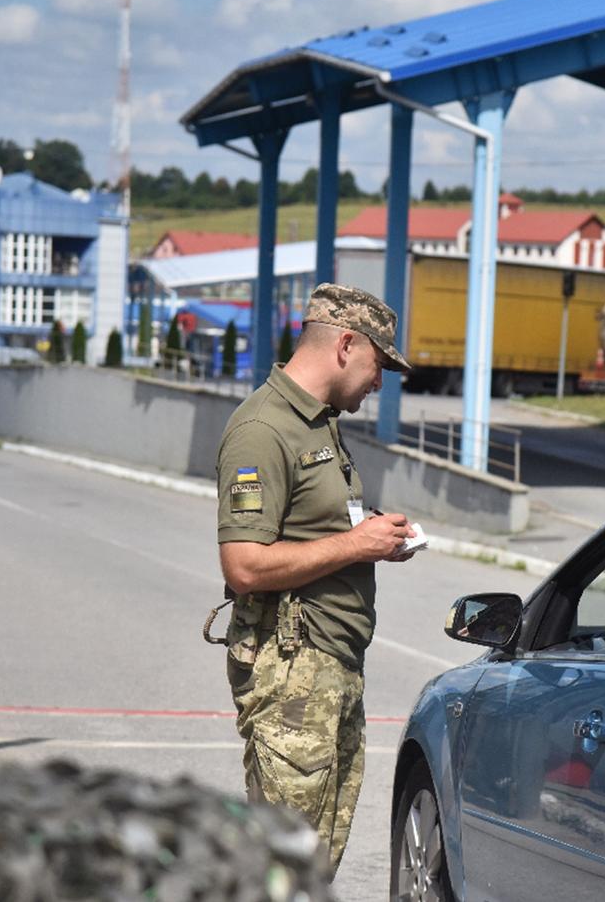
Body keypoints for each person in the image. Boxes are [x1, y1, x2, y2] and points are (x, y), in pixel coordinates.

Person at [215, 283, 417, 875]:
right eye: (379, 364)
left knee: (314, 868)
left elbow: (313, 530)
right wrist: (356, 544)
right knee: (286, 869)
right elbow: (244, 564)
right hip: (292, 672)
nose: (379, 383)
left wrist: (372, 540)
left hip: (332, 667)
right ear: (346, 344)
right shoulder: (263, 428)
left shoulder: (318, 424)